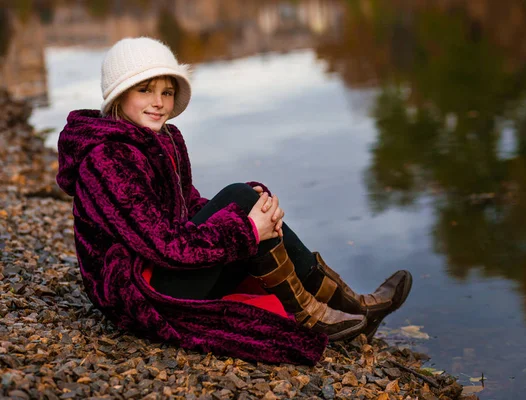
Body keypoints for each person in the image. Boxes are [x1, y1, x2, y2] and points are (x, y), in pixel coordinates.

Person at [56, 37, 412, 365]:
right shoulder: (107, 158)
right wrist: (245, 230)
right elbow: (163, 245)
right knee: (243, 207)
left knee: (246, 198)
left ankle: (347, 304)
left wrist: (249, 214)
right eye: (145, 90)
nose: (158, 102)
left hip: (164, 269)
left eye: (167, 92)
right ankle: (318, 315)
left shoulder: (162, 138)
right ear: (118, 96)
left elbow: (188, 205)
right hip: (138, 292)